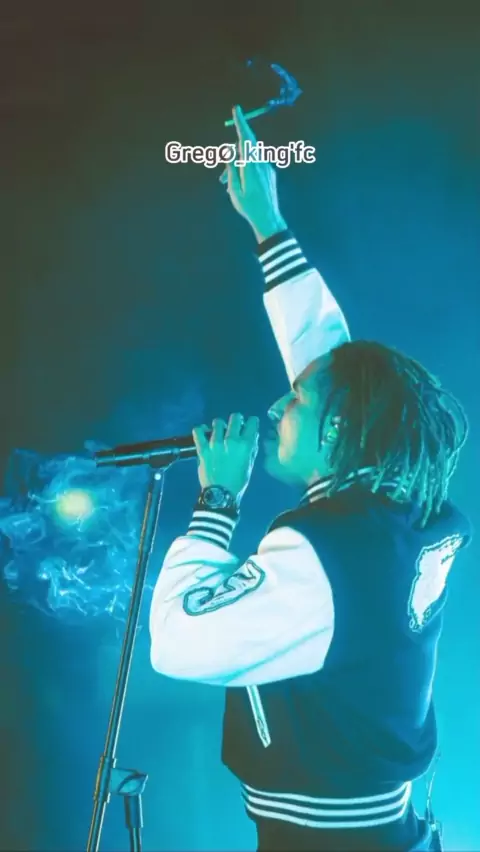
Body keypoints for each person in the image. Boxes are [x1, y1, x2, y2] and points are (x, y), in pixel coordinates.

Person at [149, 106, 472, 851]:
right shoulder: (405, 509)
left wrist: (217, 498)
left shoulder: (321, 551)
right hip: (386, 828)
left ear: (335, 433)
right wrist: (267, 221)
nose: (276, 407)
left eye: (293, 402)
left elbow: (177, 641)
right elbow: (332, 366)